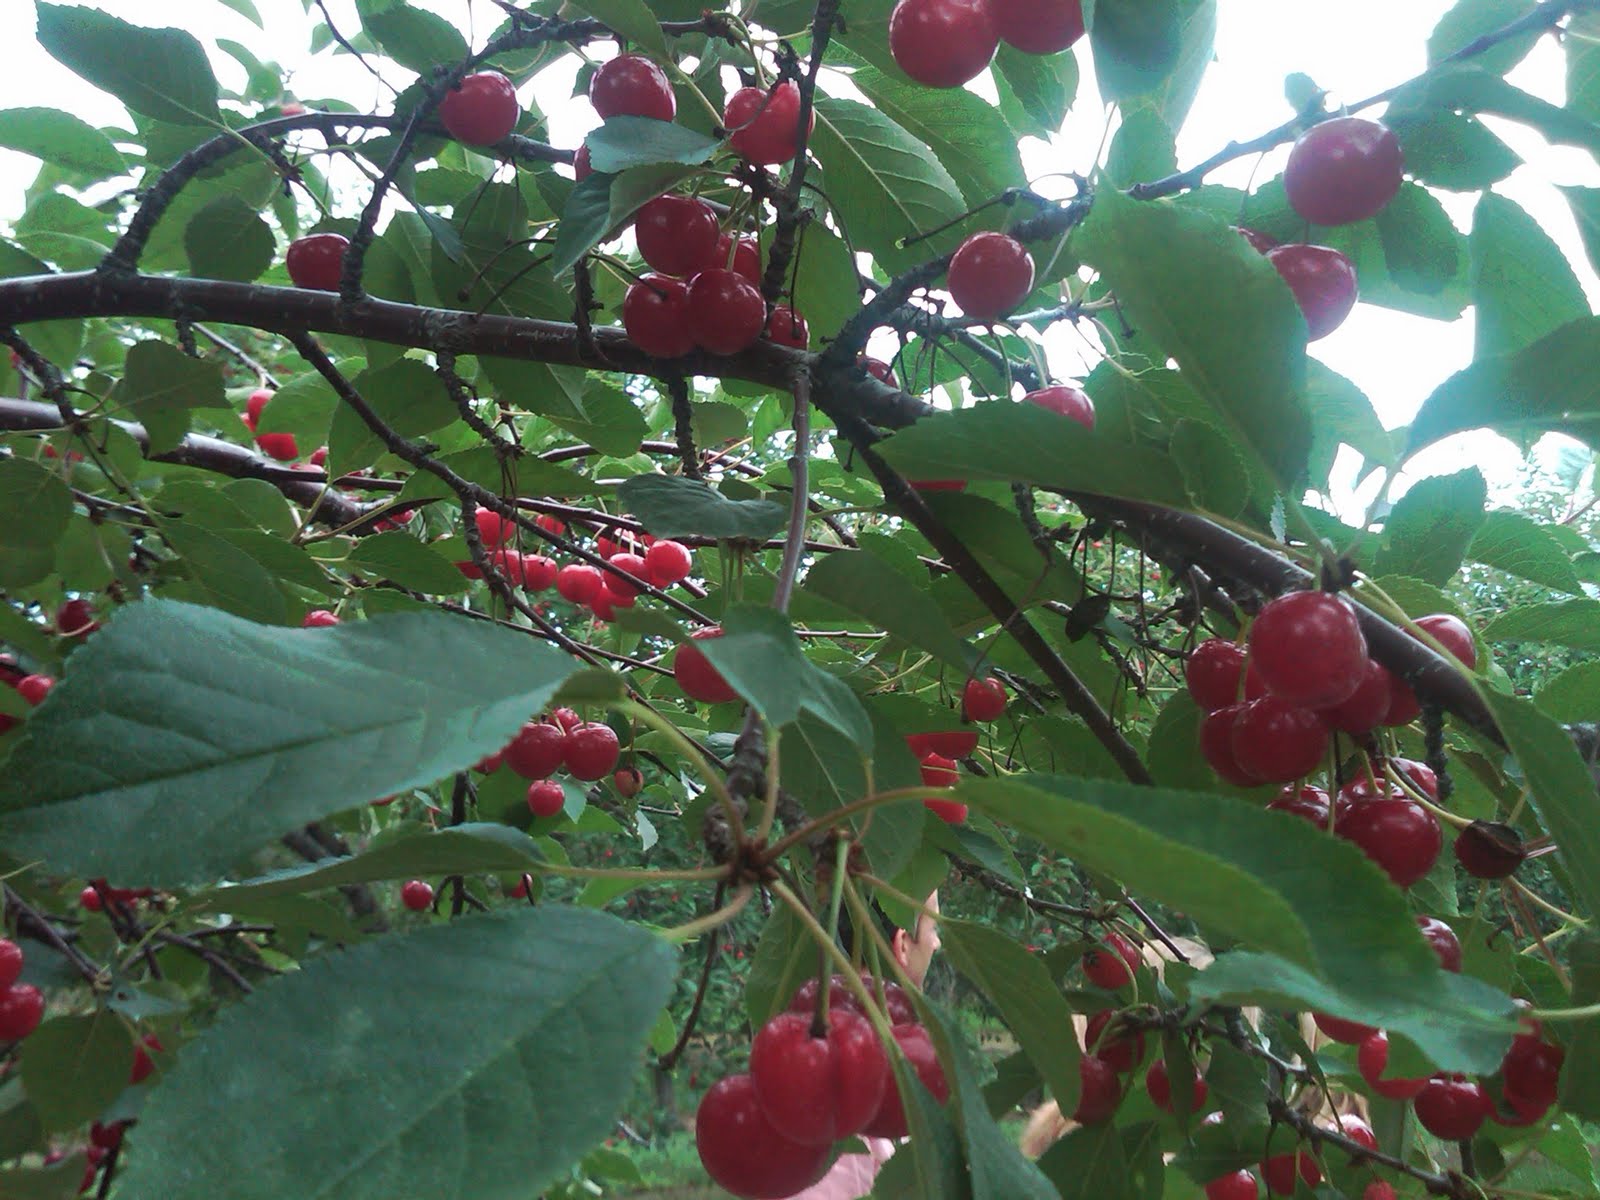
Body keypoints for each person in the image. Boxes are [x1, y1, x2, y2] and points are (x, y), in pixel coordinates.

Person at [787, 891, 941, 1200]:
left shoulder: (807, 1056)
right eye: (933, 929)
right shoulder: (856, 1089)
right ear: (902, 946)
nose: (937, 944)